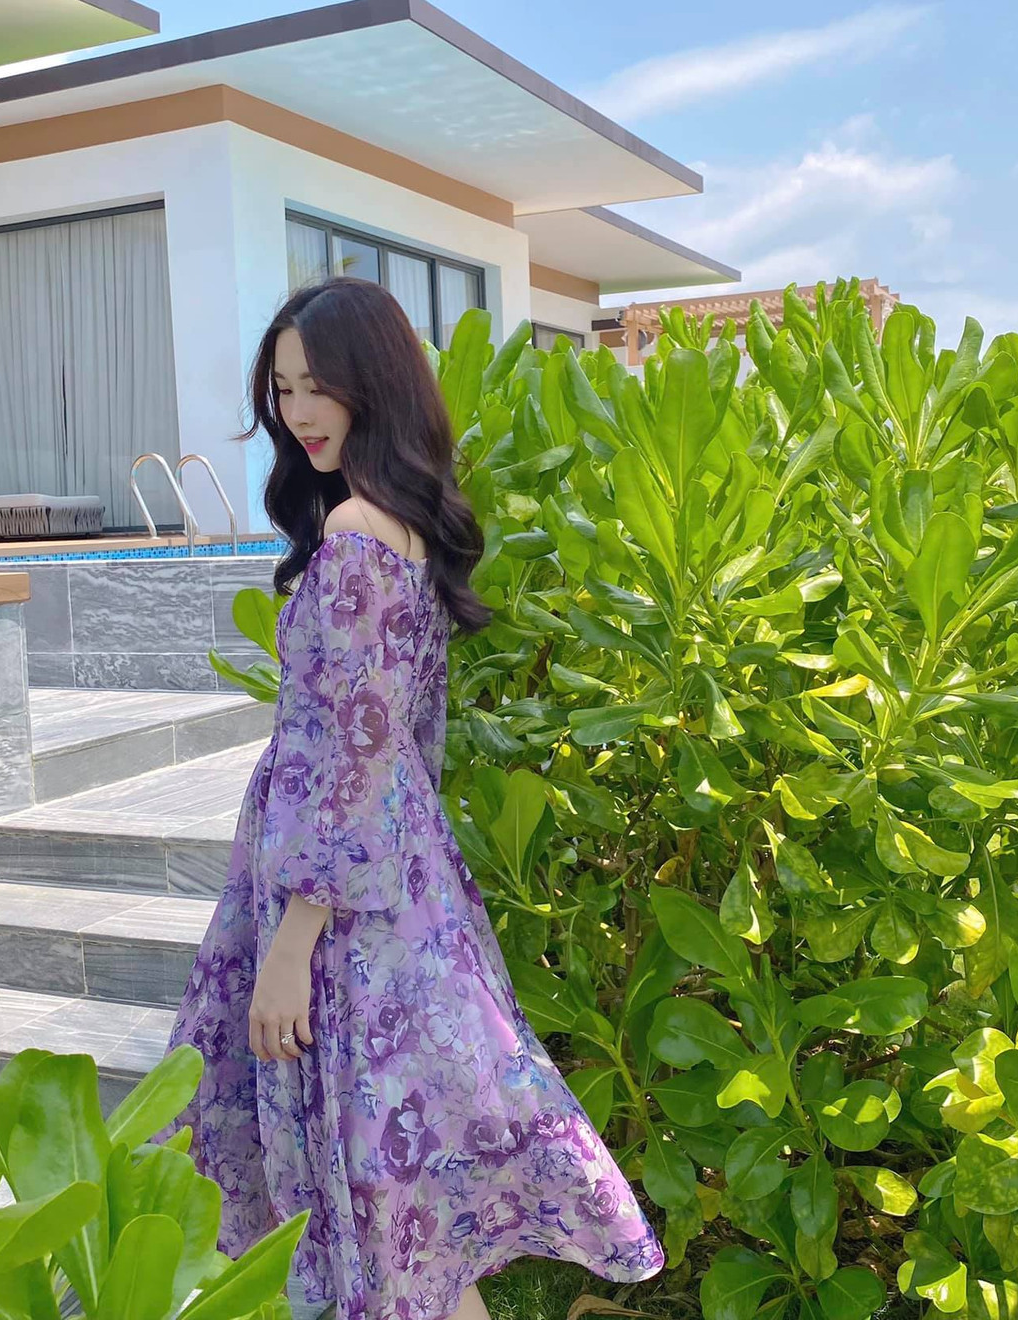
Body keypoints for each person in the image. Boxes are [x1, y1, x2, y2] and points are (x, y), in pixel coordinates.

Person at [165, 278, 666, 1320]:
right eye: (284, 388)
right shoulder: (396, 526)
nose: (298, 411)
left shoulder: (355, 534)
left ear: (374, 384)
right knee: (402, 1214)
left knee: (375, 1201)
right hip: (392, 881)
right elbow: (393, 751)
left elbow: (356, 757)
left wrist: (291, 945)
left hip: (336, 907)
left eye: (318, 386)